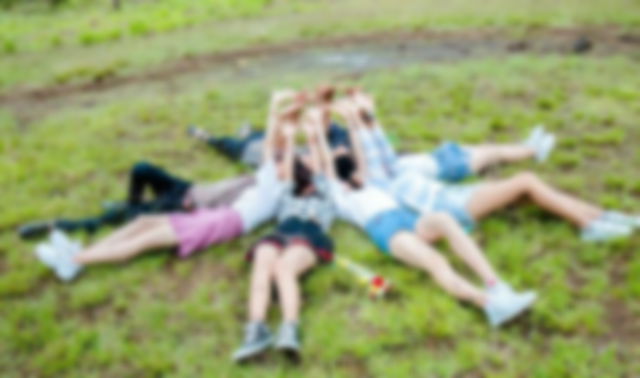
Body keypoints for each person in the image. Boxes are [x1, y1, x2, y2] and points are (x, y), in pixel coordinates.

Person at [33, 92, 298, 282]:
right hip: (212, 216)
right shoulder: (270, 177)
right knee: (143, 222)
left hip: (219, 223)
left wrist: (279, 111)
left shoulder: (277, 188)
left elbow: (278, 148)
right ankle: (81, 252)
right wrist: (282, 113)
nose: (276, 157)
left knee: (144, 241)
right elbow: (274, 144)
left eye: (282, 160)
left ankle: (72, 263)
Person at [314, 107, 537, 327]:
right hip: (387, 229)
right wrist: (314, 129)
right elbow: (324, 158)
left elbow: (360, 149)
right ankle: (490, 304)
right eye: (339, 155)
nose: (343, 153)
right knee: (436, 262)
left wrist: (351, 118)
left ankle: (495, 284)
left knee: (444, 219)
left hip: (405, 216)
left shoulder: (366, 177)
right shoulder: (338, 193)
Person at [344, 89, 639, 242]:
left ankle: (606, 216)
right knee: (525, 180)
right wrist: (352, 120)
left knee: (526, 192)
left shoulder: (394, 166)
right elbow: (364, 146)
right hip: (451, 208)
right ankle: (589, 226)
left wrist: (364, 110)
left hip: (455, 195)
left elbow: (377, 142)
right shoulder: (374, 181)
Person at [233, 108, 337, 363]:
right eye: (305, 161)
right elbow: (285, 163)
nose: (310, 161)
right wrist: (289, 138)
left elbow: (324, 159)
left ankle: (290, 329)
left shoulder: (326, 186)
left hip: (310, 233)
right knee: (262, 260)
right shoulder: (287, 191)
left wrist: (314, 136)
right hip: (283, 230)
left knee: (284, 268)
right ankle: (256, 329)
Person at [18, 162, 255, 238]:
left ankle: (57, 225)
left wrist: (192, 209)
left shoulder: (266, 198)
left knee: (119, 218)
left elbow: (235, 217)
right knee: (141, 169)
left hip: (189, 209)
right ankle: (133, 207)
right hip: (188, 188)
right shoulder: (266, 171)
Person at [188, 85, 352, 168]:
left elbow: (281, 127)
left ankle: (205, 137)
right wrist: (303, 105)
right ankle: (247, 131)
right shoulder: (309, 151)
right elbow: (313, 133)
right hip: (265, 141)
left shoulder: (295, 157)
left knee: (222, 143)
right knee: (262, 134)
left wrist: (292, 106)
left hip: (247, 149)